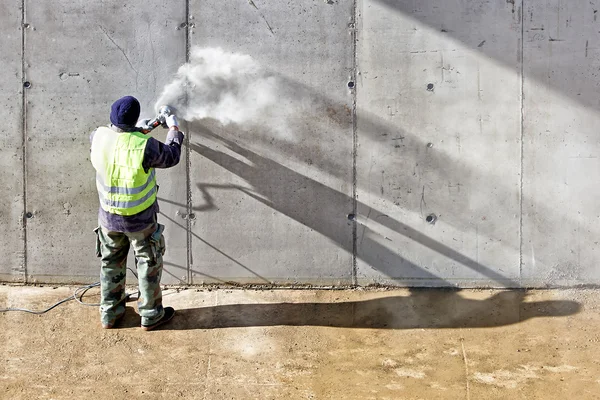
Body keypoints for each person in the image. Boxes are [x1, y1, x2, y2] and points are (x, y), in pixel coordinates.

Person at [90, 96, 184, 330]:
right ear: (134, 120)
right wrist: (173, 127)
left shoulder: (98, 136)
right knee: (148, 261)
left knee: (111, 262)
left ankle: (110, 314)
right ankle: (151, 314)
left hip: (108, 218)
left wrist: (147, 126)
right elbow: (171, 155)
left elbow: (124, 139)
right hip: (140, 220)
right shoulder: (146, 147)